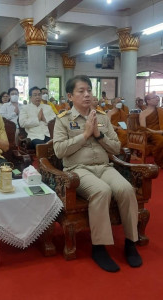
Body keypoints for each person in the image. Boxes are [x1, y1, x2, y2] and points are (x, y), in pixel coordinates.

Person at [53, 75, 142, 272]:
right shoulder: (63, 120)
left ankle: (130, 242)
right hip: (78, 170)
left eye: (89, 90)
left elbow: (117, 147)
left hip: (104, 167)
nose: (87, 95)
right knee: (101, 191)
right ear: (70, 96)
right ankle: (99, 247)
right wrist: (84, 135)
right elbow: (59, 151)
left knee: (126, 189)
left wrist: (98, 135)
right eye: (81, 91)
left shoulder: (102, 117)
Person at [139, 93, 163, 168]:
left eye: (157, 97)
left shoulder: (160, 110)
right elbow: (143, 128)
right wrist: (155, 132)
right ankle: (158, 161)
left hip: (160, 131)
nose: (157, 99)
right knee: (161, 140)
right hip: (151, 133)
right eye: (154, 98)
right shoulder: (143, 113)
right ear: (148, 101)